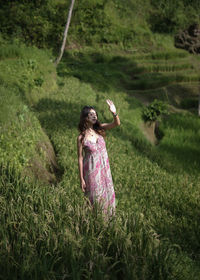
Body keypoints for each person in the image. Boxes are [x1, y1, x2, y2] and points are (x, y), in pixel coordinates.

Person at [77, 100, 120, 216]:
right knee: (95, 198)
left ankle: (108, 224)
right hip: (91, 173)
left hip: (105, 171)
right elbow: (80, 158)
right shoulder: (81, 137)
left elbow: (116, 124)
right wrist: (81, 179)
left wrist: (114, 113)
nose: (94, 116)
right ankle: (95, 222)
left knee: (107, 195)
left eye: (95, 114)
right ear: (85, 118)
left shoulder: (100, 129)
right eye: (91, 114)